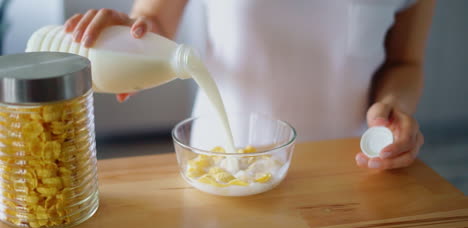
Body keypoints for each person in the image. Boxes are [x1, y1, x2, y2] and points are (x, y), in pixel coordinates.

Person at [64, 0, 435, 170]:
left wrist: (392, 107)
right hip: (221, 163)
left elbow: (405, 62)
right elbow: (154, 19)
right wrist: (129, 37)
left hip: (351, 169)